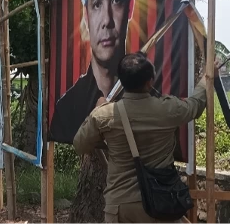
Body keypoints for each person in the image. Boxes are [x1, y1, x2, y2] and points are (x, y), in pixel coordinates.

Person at [73, 52, 218, 223]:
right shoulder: (168, 109)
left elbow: (80, 145)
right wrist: (207, 77)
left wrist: (97, 110)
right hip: (160, 204)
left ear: (122, 80)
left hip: (120, 206)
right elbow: (195, 104)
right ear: (150, 81)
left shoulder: (104, 115)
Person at [50, 0, 138, 144]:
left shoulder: (153, 102)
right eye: (97, 4)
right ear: (86, 15)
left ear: (131, 5)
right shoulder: (66, 111)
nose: (106, 20)